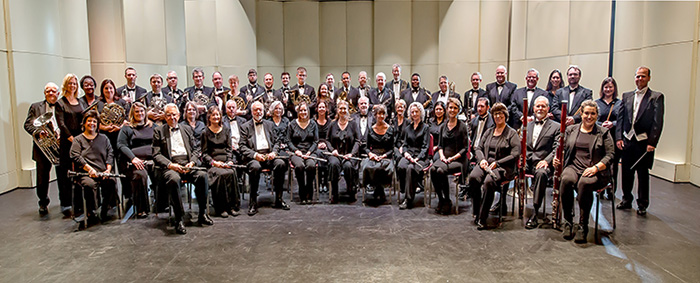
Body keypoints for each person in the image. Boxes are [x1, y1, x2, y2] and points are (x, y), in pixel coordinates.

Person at [553, 100, 614, 243]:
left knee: (584, 184)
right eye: (586, 113)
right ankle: (568, 221)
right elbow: (561, 148)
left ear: (597, 115)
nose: (589, 116)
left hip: (594, 170)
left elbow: (610, 155)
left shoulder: (603, 132)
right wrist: (557, 159)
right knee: (566, 180)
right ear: (581, 113)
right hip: (573, 166)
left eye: (593, 113)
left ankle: (582, 225)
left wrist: (596, 167)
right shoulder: (571, 130)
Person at [153, 103, 213, 235]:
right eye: (168, 115)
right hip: (171, 166)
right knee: (173, 179)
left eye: (174, 114)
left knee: (202, 175)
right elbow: (156, 154)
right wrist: (170, 165)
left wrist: (192, 162)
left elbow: (197, 149)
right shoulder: (159, 131)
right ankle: (179, 218)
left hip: (187, 164)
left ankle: (202, 213)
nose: (172, 117)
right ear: (164, 116)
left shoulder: (186, 129)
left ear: (179, 115)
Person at [616, 66, 665, 216]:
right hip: (627, 140)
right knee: (626, 172)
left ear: (649, 78)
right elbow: (621, 119)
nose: (640, 79)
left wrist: (652, 143)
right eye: (637, 76)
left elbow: (658, 122)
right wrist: (619, 137)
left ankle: (642, 203)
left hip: (643, 142)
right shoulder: (627, 96)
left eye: (643, 76)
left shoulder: (656, 97)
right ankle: (626, 199)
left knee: (643, 174)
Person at [468, 102, 520, 229]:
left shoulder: (511, 133)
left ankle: (483, 217)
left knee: (488, 182)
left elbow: (515, 154)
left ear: (505, 115)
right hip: (486, 164)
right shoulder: (489, 131)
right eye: (495, 114)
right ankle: (477, 210)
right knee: (473, 177)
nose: (498, 116)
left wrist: (497, 163)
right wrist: (482, 160)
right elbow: (479, 148)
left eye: (500, 113)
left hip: (503, 167)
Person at [239, 101, 289, 215]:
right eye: (256, 110)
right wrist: (255, 155)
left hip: (269, 155)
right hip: (254, 157)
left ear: (263, 111)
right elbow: (242, 146)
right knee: (255, 167)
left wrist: (274, 153)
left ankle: (279, 199)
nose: (258, 112)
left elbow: (277, 142)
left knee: (280, 163)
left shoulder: (269, 124)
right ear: (251, 112)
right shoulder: (245, 127)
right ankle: (253, 203)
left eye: (260, 109)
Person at [70, 110, 118, 226]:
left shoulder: (104, 138)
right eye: (89, 121)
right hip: (86, 173)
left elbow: (110, 154)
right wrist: (89, 169)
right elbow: (75, 156)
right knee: (89, 185)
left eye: (94, 121)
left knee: (111, 181)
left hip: (102, 172)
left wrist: (108, 170)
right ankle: (91, 212)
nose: (92, 123)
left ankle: (105, 208)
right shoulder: (78, 139)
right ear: (84, 123)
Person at [24, 82, 62, 216]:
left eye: (53, 91)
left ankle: (65, 202)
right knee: (42, 178)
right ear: (44, 93)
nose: (50, 93)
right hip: (43, 148)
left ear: (58, 93)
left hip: (60, 145)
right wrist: (38, 131)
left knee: (63, 176)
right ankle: (43, 202)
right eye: (48, 91)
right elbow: (27, 124)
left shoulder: (62, 105)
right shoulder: (35, 107)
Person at [523, 96, 561, 229]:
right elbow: (523, 146)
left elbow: (557, 147)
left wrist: (547, 161)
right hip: (528, 162)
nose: (540, 108)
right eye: (537, 106)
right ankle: (501, 204)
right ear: (533, 108)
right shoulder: (527, 126)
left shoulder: (556, 127)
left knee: (541, 174)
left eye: (543, 106)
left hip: (543, 163)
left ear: (548, 109)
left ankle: (535, 211)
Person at [430, 98, 469, 215]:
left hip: (458, 159)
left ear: (458, 110)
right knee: (433, 170)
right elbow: (440, 146)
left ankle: (447, 200)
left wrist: (452, 158)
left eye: (455, 108)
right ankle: (442, 200)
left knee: (441, 171)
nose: (452, 110)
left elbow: (465, 148)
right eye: (450, 107)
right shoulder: (443, 126)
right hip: (445, 158)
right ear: (447, 109)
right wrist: (441, 156)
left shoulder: (462, 126)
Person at [117, 102, 154, 219]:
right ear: (132, 113)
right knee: (140, 176)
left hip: (152, 161)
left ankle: (162, 205)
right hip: (134, 162)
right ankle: (141, 209)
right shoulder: (127, 128)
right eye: (137, 111)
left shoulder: (152, 126)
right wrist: (133, 158)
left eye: (142, 111)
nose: (140, 113)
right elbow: (121, 145)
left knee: (163, 173)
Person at [202, 106, 240, 218]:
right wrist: (214, 163)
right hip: (213, 164)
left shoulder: (226, 130)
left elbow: (229, 149)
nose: (215, 117)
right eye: (213, 115)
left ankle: (232, 207)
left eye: (217, 114)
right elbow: (204, 153)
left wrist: (229, 161)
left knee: (232, 172)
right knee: (221, 174)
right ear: (209, 117)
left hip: (225, 162)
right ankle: (221, 208)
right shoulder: (205, 132)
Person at [55, 74, 84, 217]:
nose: (72, 86)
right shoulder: (60, 103)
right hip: (68, 141)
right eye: (70, 83)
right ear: (65, 85)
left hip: (80, 139)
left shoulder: (79, 101)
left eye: (74, 83)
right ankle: (66, 201)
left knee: (80, 169)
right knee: (66, 172)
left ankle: (79, 201)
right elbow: (61, 123)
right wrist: (71, 138)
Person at [327, 100, 360, 203]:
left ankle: (351, 191)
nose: (342, 110)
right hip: (336, 154)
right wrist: (333, 150)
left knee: (348, 166)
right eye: (340, 108)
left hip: (349, 154)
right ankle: (334, 193)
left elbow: (358, 141)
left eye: (344, 108)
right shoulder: (332, 124)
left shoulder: (353, 123)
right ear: (337, 110)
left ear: (347, 110)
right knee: (333, 164)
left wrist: (351, 154)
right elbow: (327, 140)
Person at [397, 102, 429, 209]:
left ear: (421, 113)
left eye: (416, 112)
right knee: (401, 166)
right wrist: (405, 154)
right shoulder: (407, 128)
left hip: (421, 157)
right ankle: (405, 190)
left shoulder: (425, 128)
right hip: (409, 155)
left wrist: (417, 158)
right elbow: (405, 145)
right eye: (412, 112)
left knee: (410, 168)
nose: (414, 114)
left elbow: (425, 147)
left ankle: (408, 199)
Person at [596, 77, 622, 200]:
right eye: (606, 87)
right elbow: (593, 119)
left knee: (613, 166)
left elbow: (622, 120)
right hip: (600, 137)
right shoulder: (597, 103)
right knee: (601, 163)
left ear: (614, 89)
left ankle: (611, 190)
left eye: (610, 87)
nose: (608, 89)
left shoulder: (619, 103)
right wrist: (601, 125)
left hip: (613, 137)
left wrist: (613, 124)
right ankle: (600, 188)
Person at [362, 104, 395, 204]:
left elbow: (392, 148)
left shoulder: (390, 129)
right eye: (378, 114)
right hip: (373, 156)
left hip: (386, 156)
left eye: (383, 114)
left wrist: (384, 156)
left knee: (382, 167)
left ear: (385, 115)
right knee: (368, 167)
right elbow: (366, 147)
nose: (380, 116)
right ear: (375, 115)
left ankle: (379, 190)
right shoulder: (371, 129)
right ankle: (377, 189)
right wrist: (371, 154)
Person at [288, 102, 319, 204]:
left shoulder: (313, 123)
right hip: (296, 152)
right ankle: (302, 192)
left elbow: (315, 141)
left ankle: (309, 192)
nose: (303, 112)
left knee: (310, 165)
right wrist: (296, 151)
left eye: (305, 110)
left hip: (311, 152)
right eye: (301, 110)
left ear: (308, 111)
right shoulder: (292, 124)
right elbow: (288, 141)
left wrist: (309, 152)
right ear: (298, 111)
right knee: (300, 166)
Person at [315, 100, 332, 193]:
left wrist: (325, 144)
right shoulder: (313, 122)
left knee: (325, 154)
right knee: (318, 154)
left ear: (326, 109)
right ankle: (319, 183)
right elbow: (312, 137)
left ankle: (325, 182)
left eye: (323, 107)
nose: (321, 109)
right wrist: (318, 144)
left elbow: (330, 137)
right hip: (316, 146)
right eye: (320, 107)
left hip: (327, 145)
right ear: (317, 109)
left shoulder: (330, 122)